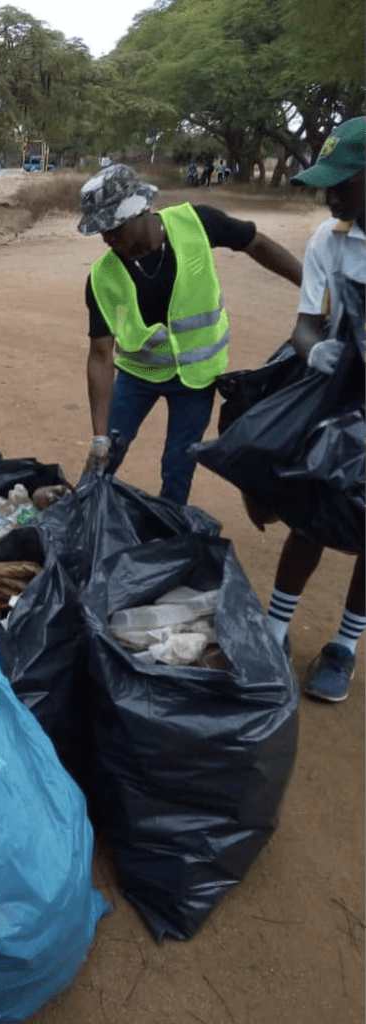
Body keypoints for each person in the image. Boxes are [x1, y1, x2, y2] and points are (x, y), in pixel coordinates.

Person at [80, 163, 302, 504]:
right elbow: (100, 355)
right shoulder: (102, 277)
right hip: (138, 375)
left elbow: (255, 242)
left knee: (177, 466)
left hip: (195, 381)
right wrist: (98, 437)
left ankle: (170, 535)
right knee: (105, 457)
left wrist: (311, 285)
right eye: (100, 231)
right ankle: (81, 519)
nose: (106, 238)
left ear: (140, 211)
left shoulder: (196, 223)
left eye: (112, 227)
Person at [256, 116, 366, 702]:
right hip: (339, 395)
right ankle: (275, 631)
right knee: (311, 513)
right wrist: (315, 348)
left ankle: (345, 645)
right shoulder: (331, 240)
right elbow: (305, 324)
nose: (331, 195)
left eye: (345, 181)